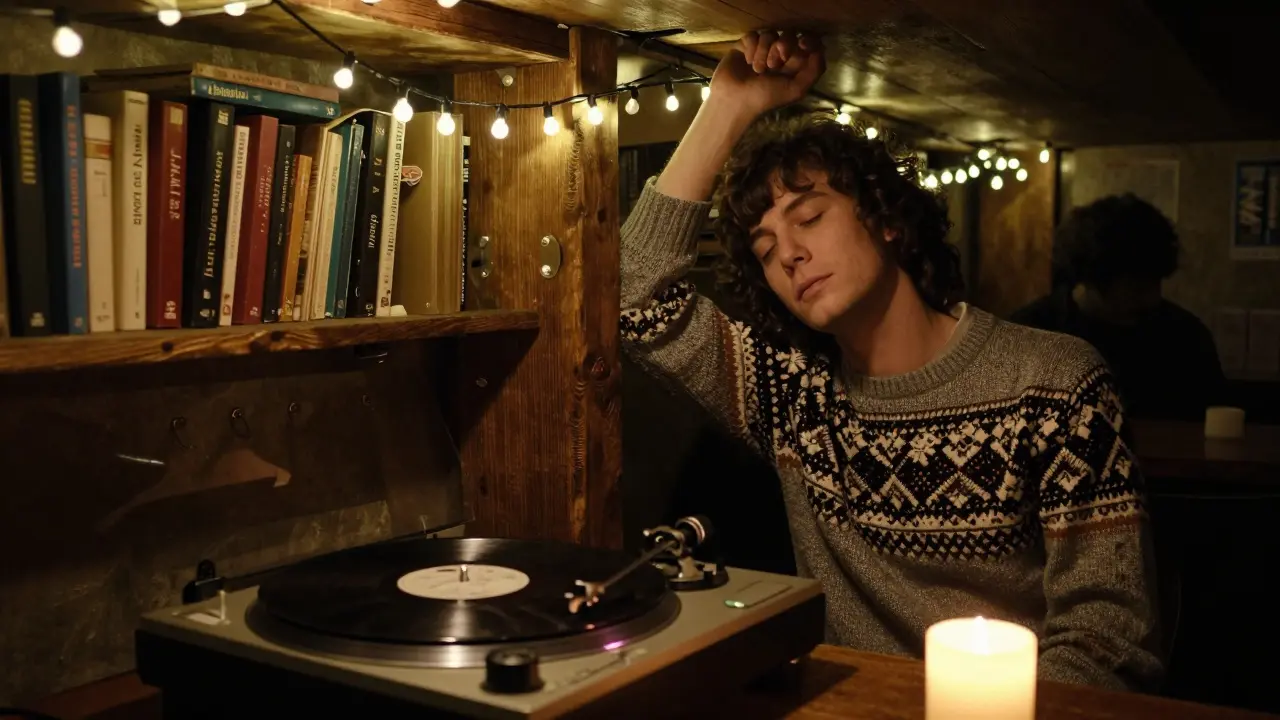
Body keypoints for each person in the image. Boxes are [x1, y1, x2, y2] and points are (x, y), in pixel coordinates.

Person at [619, 30, 1163, 692]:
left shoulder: (1053, 383)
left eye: (809, 217)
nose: (786, 253)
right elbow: (632, 294)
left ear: (887, 221)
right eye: (764, 248)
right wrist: (728, 105)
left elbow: (1108, 635)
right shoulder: (793, 394)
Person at [1011, 194, 1226, 421]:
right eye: (1136, 285)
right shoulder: (1030, 334)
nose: (1152, 297)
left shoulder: (1185, 337)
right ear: (1093, 278)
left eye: (1156, 281)